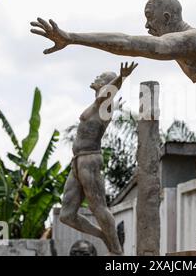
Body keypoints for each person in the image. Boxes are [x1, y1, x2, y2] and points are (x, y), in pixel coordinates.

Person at [30, 0, 196, 251]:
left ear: (166, 17)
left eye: (149, 18)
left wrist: (73, 38)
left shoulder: (189, 40)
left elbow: (128, 41)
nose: (147, 26)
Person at [59, 62, 138, 255]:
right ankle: (104, 235)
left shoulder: (105, 104)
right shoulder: (96, 103)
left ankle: (117, 252)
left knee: (98, 207)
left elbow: (109, 92)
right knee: (66, 215)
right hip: (77, 161)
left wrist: (121, 78)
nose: (95, 77)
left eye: (101, 77)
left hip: (89, 159)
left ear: (106, 84)